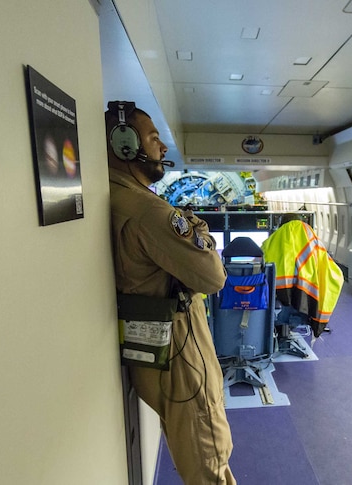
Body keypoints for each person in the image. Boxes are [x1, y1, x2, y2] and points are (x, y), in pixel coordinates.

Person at [106, 100, 236, 484]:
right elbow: (213, 277)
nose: (162, 149)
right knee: (210, 461)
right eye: (153, 138)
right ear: (125, 144)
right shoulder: (149, 211)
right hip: (182, 355)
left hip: (155, 352)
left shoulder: (117, 197)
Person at [261, 214, 344, 338]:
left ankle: (278, 331)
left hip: (279, 294)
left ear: (281, 224)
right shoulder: (312, 238)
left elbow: (262, 263)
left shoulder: (273, 239)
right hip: (307, 296)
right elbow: (326, 264)